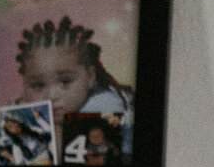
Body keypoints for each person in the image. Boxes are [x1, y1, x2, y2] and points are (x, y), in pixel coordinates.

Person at [13, 15, 133, 159]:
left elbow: (62, 154)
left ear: (90, 76)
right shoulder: (28, 108)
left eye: (65, 81)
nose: (51, 95)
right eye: (38, 85)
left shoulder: (104, 103)